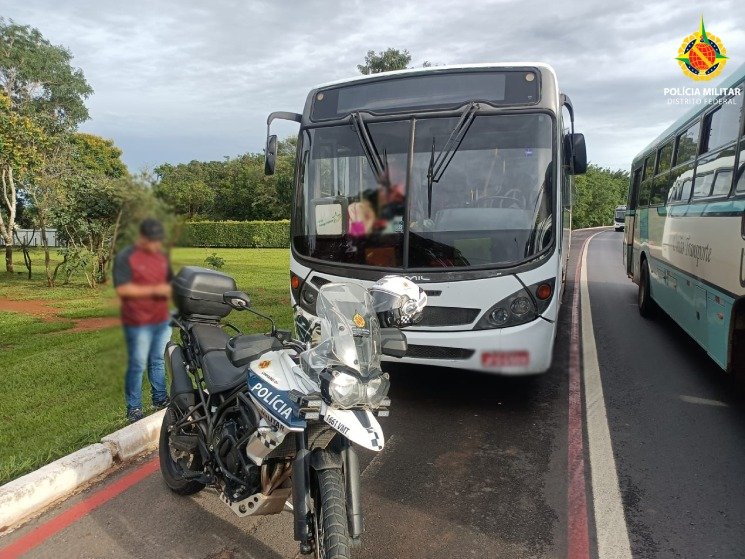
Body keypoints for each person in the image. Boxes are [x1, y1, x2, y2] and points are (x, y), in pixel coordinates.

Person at [113, 218, 173, 422]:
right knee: (137, 363)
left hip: (161, 317)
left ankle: (159, 398)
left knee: (156, 360)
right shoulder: (126, 257)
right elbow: (123, 289)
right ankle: (134, 408)